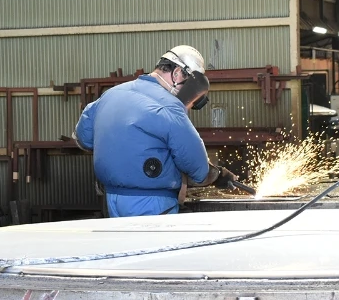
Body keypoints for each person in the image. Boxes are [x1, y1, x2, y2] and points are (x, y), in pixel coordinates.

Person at [73, 45, 239, 216]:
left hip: (111, 201)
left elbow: (83, 139)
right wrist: (218, 175)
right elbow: (198, 169)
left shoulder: (110, 95)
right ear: (177, 73)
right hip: (152, 204)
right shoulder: (170, 107)